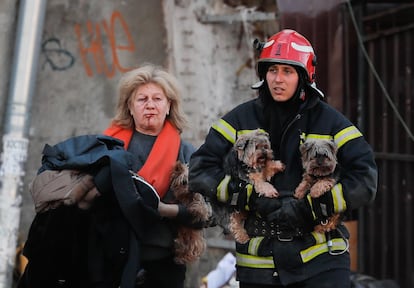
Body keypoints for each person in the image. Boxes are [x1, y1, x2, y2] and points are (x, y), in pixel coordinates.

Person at [188, 29, 378, 287]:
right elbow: (200, 171)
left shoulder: (331, 122)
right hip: (259, 267)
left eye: (287, 71)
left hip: (321, 264)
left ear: (303, 76)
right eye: (272, 70)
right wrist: (248, 196)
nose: (278, 79)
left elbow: (365, 180)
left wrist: (312, 207)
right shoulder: (239, 120)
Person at [104, 63, 198, 288]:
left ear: (169, 106)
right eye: (142, 99)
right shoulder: (108, 145)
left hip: (162, 262)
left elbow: (207, 214)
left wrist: (166, 210)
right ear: (129, 106)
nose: (150, 106)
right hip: (110, 258)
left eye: (157, 99)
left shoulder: (185, 152)